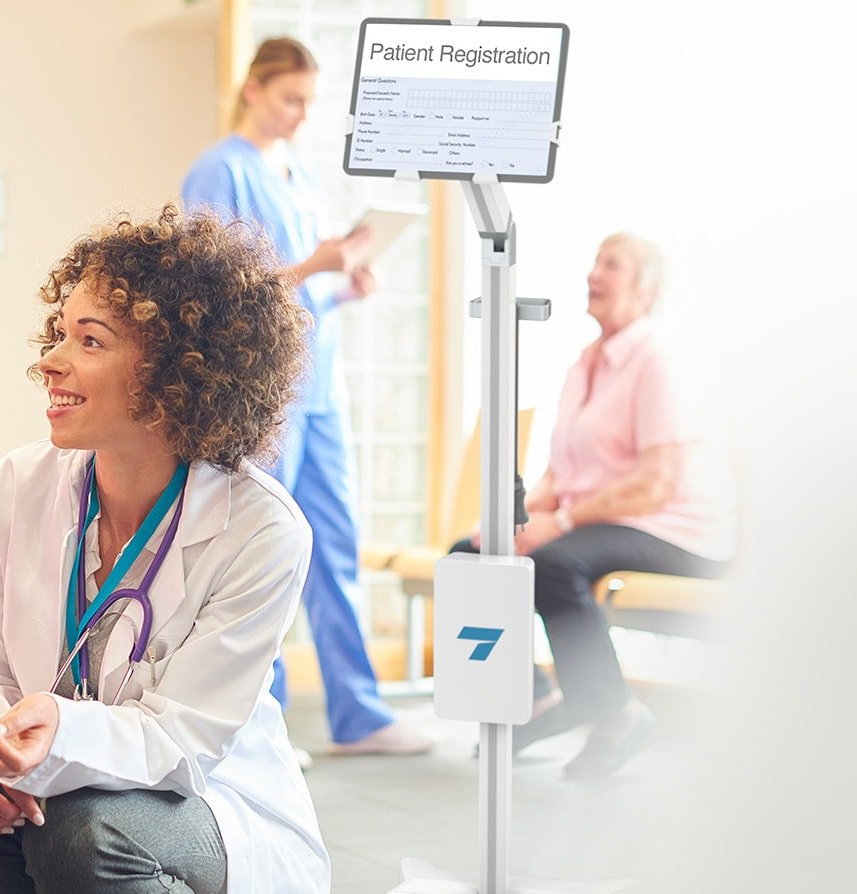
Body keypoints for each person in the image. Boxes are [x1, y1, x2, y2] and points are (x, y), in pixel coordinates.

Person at [0, 207, 329, 893]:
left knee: (85, 831)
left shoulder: (262, 529)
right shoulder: (13, 488)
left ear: (176, 372)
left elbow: (184, 740)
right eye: (59, 333)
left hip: (209, 801)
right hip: (54, 782)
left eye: (90, 340)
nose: (49, 361)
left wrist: (58, 734)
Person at [181, 36, 432, 756]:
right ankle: (258, 726)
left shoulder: (300, 175)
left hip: (319, 389)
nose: (300, 114)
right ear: (253, 89)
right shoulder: (220, 170)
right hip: (267, 393)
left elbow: (298, 295)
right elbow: (214, 289)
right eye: (290, 98)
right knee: (261, 549)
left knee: (334, 544)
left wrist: (339, 285)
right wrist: (311, 266)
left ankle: (360, 714)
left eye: (308, 102)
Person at [452, 233, 735, 778]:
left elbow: (656, 483)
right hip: (604, 521)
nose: (593, 275)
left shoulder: (659, 359)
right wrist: (509, 522)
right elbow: (561, 475)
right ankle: (532, 699)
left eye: (612, 266)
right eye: (595, 263)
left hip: (674, 528)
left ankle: (617, 715)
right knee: (470, 554)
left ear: (646, 290)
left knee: (553, 564)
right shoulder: (585, 364)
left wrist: (559, 523)